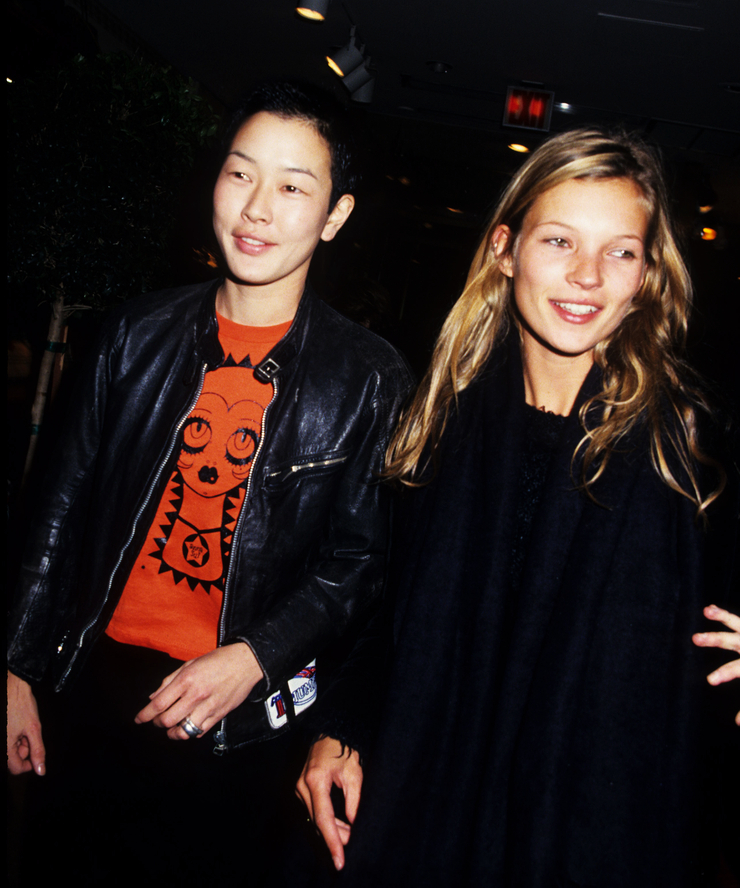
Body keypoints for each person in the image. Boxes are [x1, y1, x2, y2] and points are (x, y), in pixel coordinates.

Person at [297, 128, 739, 886]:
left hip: (601, 834)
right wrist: (339, 725)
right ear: (505, 250)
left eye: (621, 252)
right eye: (559, 241)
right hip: (433, 814)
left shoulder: (690, 442)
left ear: (647, 276)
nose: (587, 276)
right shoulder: (443, 424)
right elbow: (389, 619)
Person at [6, 80, 411, 883]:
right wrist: (15, 667)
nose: (257, 209)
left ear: (335, 216)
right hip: (91, 686)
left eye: (292, 188)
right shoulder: (133, 333)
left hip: (244, 717)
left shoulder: (370, 378)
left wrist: (254, 657)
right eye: (241, 174)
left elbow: (360, 564)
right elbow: (57, 506)